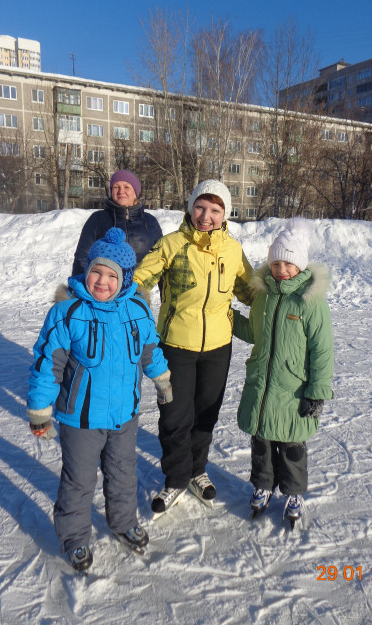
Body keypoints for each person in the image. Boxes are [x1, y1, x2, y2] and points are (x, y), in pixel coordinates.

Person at [27, 228, 172, 571]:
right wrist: (40, 411)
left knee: (123, 472)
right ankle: (75, 537)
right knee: (79, 480)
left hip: (124, 414)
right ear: (86, 270)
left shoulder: (136, 308)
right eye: (96, 272)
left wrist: (162, 380)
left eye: (111, 275)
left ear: (124, 279)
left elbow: (149, 350)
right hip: (80, 418)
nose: (102, 281)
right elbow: (48, 364)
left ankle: (122, 522)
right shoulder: (68, 313)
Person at [133, 179, 253, 517]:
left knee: (205, 415)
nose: (206, 216)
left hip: (218, 348)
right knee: (174, 415)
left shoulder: (232, 249)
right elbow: (141, 280)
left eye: (215, 210)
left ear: (224, 215)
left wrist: (283, 307)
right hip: (175, 347)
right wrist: (127, 306)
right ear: (190, 207)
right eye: (201, 207)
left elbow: (250, 290)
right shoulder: (171, 245)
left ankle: (197, 470)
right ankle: (175, 478)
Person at [232, 219, 334, 524]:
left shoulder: (309, 301)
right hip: (262, 385)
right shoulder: (263, 295)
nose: (281, 269)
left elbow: (322, 348)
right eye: (276, 263)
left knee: (291, 445)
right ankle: (263, 487)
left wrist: (317, 391)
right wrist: (227, 317)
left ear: (300, 266)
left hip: (292, 389)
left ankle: (293, 493)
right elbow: (254, 332)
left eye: (288, 263)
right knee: (261, 441)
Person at [72, 170, 162, 276]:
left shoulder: (150, 222)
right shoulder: (97, 219)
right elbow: (82, 258)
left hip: (139, 289)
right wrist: (78, 290)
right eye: (116, 187)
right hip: (103, 288)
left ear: (135, 192)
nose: (121, 191)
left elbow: (160, 260)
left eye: (126, 187)